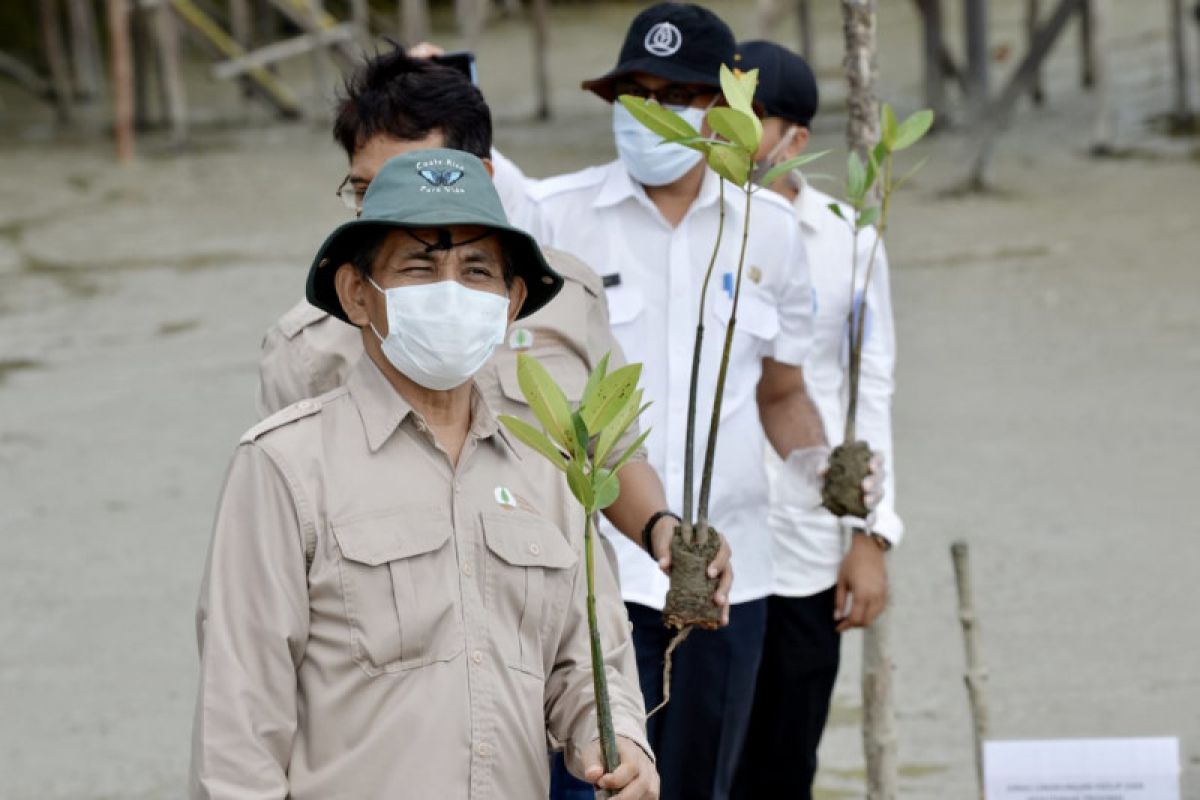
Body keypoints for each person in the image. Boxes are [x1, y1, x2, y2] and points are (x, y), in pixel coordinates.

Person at [190, 150, 659, 799]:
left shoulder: (549, 467)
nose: (451, 291)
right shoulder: (285, 465)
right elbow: (239, 724)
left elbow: (590, 665)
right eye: (419, 266)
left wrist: (622, 746)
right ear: (358, 294)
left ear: (512, 299)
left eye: (476, 270)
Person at [529, 5, 884, 799]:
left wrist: (831, 474)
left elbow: (783, 394)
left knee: (704, 786)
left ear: (725, 114)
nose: (653, 114)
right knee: (589, 783)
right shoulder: (555, 219)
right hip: (595, 573)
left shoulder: (771, 231)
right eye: (636, 94)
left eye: (679, 96)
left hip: (732, 579)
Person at [731, 41, 904, 800]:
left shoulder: (851, 242)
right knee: (695, 759)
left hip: (807, 540)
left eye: (747, 117)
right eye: (714, 110)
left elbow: (872, 389)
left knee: (785, 762)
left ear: (795, 141)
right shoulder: (693, 234)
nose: (720, 129)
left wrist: (872, 535)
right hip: (703, 546)